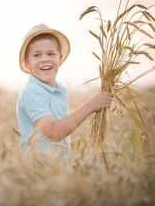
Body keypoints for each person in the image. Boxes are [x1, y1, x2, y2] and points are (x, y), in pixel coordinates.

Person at [16, 24, 112, 159]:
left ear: (60, 59)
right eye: (37, 55)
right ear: (27, 63)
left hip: (58, 172)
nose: (45, 59)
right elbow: (54, 132)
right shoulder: (32, 92)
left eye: (50, 54)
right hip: (37, 173)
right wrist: (91, 106)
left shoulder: (57, 91)